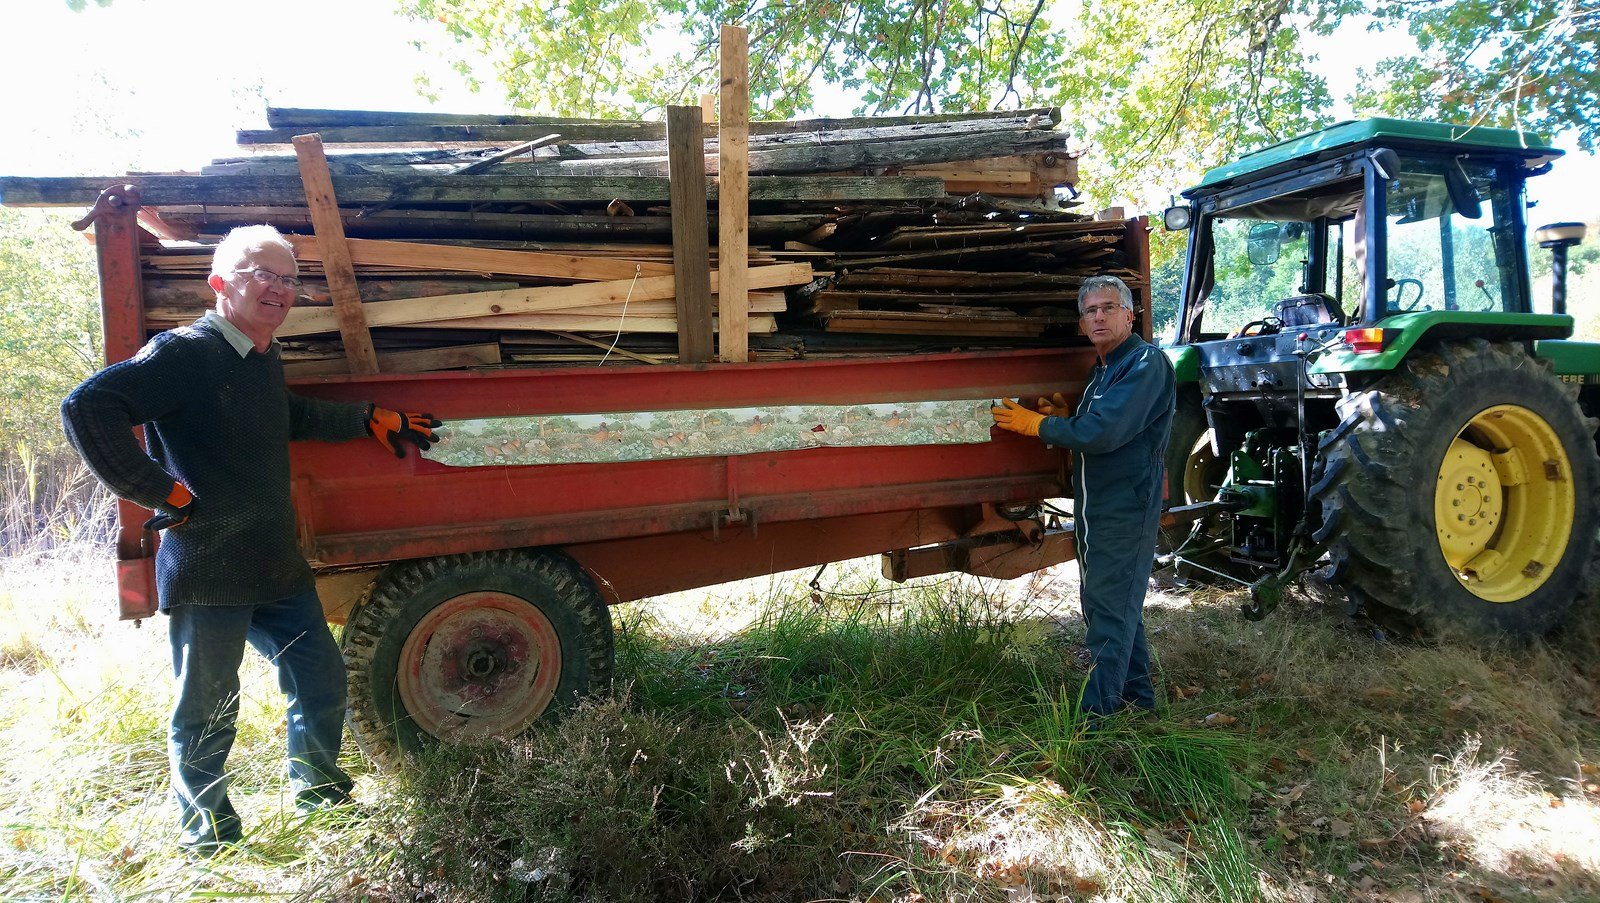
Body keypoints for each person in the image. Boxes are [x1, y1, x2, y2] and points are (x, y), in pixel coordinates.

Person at [61, 225, 441, 853]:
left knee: (319, 678)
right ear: (219, 283)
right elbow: (85, 408)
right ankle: (205, 836)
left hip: (274, 563)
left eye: (290, 278)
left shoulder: (259, 356)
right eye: (261, 273)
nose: (279, 288)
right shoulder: (183, 352)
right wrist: (163, 492)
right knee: (206, 710)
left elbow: (287, 414)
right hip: (209, 567)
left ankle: (320, 796)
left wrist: (368, 418)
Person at [991, 274, 1176, 718]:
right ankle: (1138, 701)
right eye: (1090, 310)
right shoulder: (1103, 371)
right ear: (1082, 323)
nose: (1098, 316)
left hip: (1126, 508)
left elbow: (1105, 431)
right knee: (1111, 604)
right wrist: (1066, 420)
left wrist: (1040, 426)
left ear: (1130, 315)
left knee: (1109, 609)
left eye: (1108, 308)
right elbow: (1097, 425)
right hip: (1097, 507)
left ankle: (1097, 719)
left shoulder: (1146, 364)